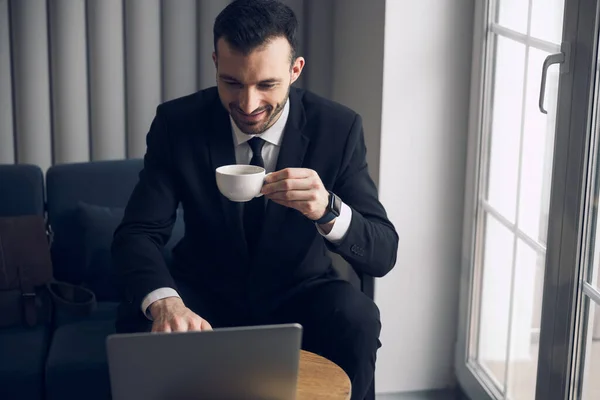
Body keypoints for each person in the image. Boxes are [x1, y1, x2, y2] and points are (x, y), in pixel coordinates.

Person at [111, 0, 399, 398]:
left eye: (267, 85)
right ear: (215, 62)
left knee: (359, 319)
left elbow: (383, 253)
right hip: (204, 293)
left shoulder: (338, 128)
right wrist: (166, 303)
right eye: (232, 82)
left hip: (301, 292)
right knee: (140, 321)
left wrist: (329, 210)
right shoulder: (177, 124)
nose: (248, 105)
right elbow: (138, 233)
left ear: (295, 70)